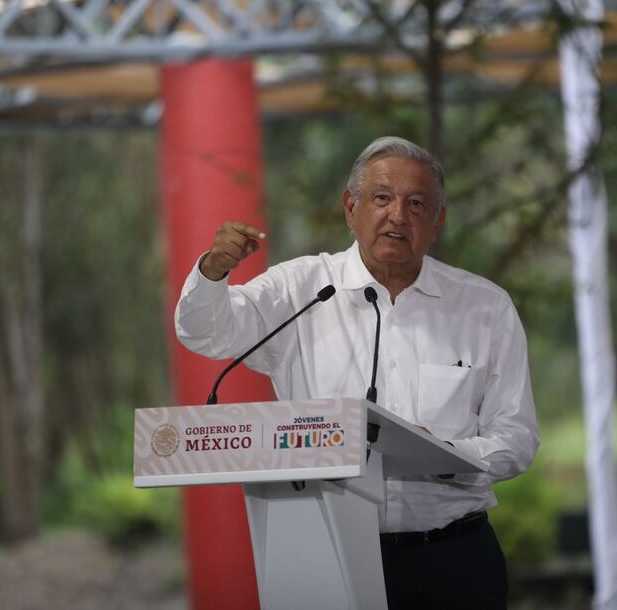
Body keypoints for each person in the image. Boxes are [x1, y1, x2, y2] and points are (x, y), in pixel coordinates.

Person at [175, 136, 540, 609]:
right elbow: (206, 333)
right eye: (382, 198)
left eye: (417, 204)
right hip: (327, 559)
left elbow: (516, 436)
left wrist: (448, 456)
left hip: (452, 560)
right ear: (351, 208)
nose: (397, 216)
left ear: (438, 221)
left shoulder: (484, 307)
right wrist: (213, 272)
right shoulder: (300, 289)